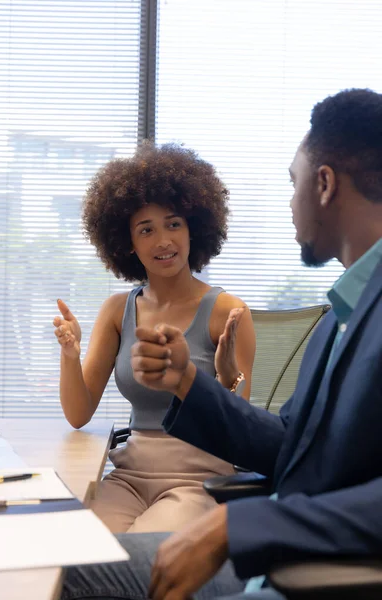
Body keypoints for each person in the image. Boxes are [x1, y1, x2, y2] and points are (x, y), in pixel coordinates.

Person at [61, 87, 382, 600]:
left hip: (312, 573)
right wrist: (187, 381)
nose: (289, 201)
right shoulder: (341, 316)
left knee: (71, 579)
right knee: (58, 565)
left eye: (292, 182)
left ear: (324, 185)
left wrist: (240, 528)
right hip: (279, 557)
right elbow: (289, 446)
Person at [53, 142, 255, 534]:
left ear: (194, 227)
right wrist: (69, 354)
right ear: (128, 242)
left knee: (138, 566)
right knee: (78, 557)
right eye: (147, 229)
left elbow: (238, 428)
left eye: (174, 224)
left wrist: (227, 375)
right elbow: (79, 415)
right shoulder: (116, 310)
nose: (164, 240)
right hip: (128, 476)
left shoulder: (227, 312)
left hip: (196, 480)